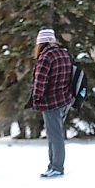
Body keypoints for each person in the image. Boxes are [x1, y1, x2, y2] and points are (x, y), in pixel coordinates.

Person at [28, 28, 73, 177]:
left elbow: (40, 82)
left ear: (40, 42)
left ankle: (57, 167)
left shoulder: (45, 57)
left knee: (55, 136)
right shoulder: (64, 53)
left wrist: (36, 98)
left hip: (50, 102)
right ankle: (53, 164)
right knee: (55, 134)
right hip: (65, 100)